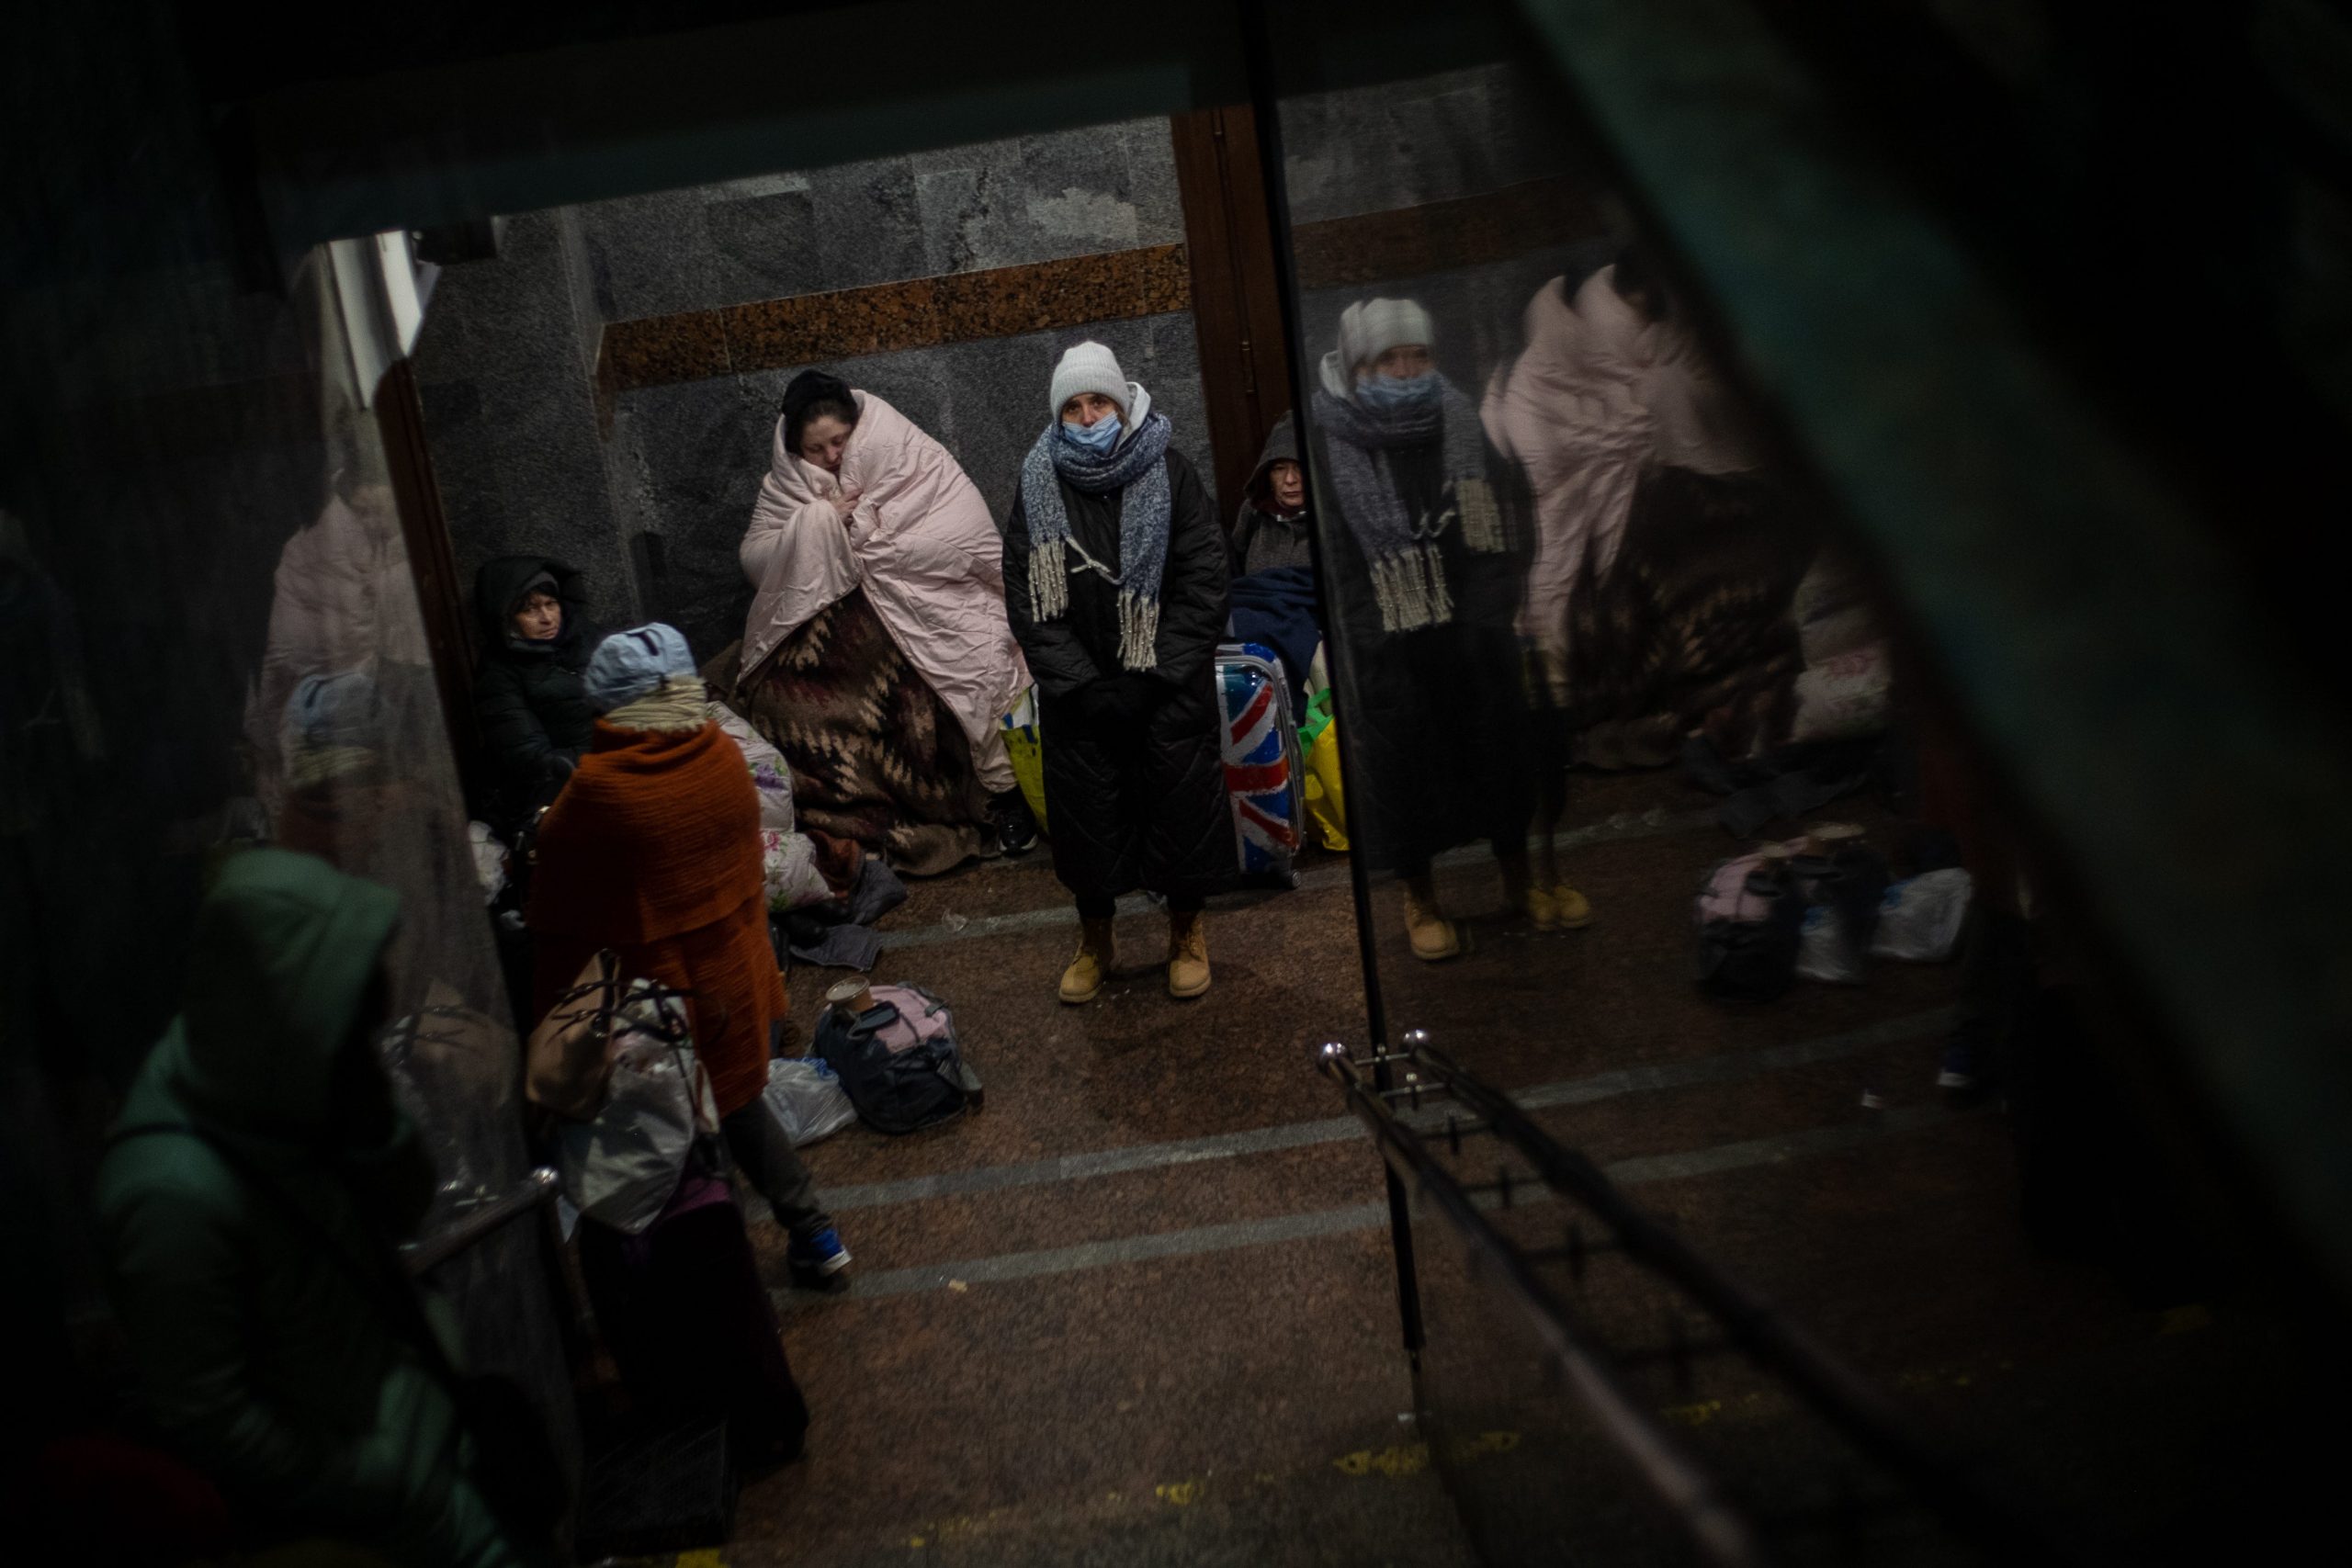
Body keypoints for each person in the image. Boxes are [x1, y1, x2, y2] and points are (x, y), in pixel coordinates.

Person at [95, 848, 544, 1568]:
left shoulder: (282, 1081)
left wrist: (377, 1125)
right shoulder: (167, 1191)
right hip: (377, 1510)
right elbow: (210, 1415)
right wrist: (376, 1477)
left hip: (427, 1430)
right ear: (283, 1010)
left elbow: (403, 1207)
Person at [527, 625, 850, 1287]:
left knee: (689, 1138)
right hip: (738, 978)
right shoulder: (723, 757)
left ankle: (719, 1266)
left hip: (664, 1001)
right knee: (739, 1105)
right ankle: (815, 1231)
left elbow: (557, 896)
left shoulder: (601, 789)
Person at [1311, 298, 1558, 960]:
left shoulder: (1460, 421)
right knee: (1407, 778)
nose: (1408, 369)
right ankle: (1420, 899)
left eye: (1418, 356)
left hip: (1473, 634)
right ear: (1360, 366)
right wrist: (1374, 636)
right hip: (1393, 645)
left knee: (1501, 764)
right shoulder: (1331, 443)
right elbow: (1337, 556)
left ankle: (1518, 878)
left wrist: (1486, 612)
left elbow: (1503, 525)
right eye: (1392, 358)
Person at [731, 370, 1037, 873]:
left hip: (932, 596)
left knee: (979, 666)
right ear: (794, 453)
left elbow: (959, 532)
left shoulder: (905, 450)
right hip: (845, 623)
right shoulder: (783, 487)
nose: (832, 457)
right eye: (816, 449)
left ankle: (1003, 799)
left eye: (840, 441)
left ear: (859, 428)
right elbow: (757, 560)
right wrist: (821, 522)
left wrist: (875, 536)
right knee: (790, 706)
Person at [1003, 341, 1231, 1002]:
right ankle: (1095, 938)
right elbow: (1026, 596)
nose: (1087, 414)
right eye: (1072, 406)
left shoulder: (1173, 472)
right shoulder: (1037, 483)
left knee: (1180, 807)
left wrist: (1153, 676)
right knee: (1088, 823)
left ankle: (1186, 931)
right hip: (1084, 698)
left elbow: (1205, 582)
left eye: (1098, 400)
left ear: (1123, 402)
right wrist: (1085, 683)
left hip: (1165, 690)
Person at [469, 556, 597, 838]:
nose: (547, 617)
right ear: (506, 618)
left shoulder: (585, 639)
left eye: (551, 604)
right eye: (529, 610)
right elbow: (532, 758)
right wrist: (606, 764)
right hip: (558, 793)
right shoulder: (499, 676)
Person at [1227, 412, 1315, 578]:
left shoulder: (1334, 518)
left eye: (1300, 467)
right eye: (1279, 469)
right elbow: (1234, 570)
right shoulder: (1253, 512)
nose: (1290, 479)